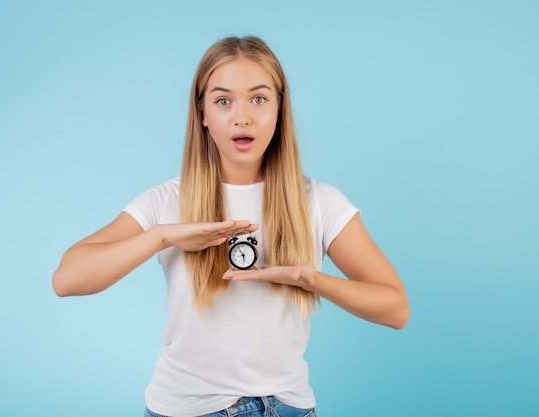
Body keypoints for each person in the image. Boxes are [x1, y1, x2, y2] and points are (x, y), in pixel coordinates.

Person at [52, 35, 410, 417]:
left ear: (279, 109)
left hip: (288, 407)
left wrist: (311, 280)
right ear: (203, 113)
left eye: (258, 98)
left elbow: (396, 309)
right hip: (186, 409)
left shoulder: (318, 202)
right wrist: (161, 236)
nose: (243, 117)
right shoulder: (166, 201)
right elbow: (67, 279)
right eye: (224, 101)